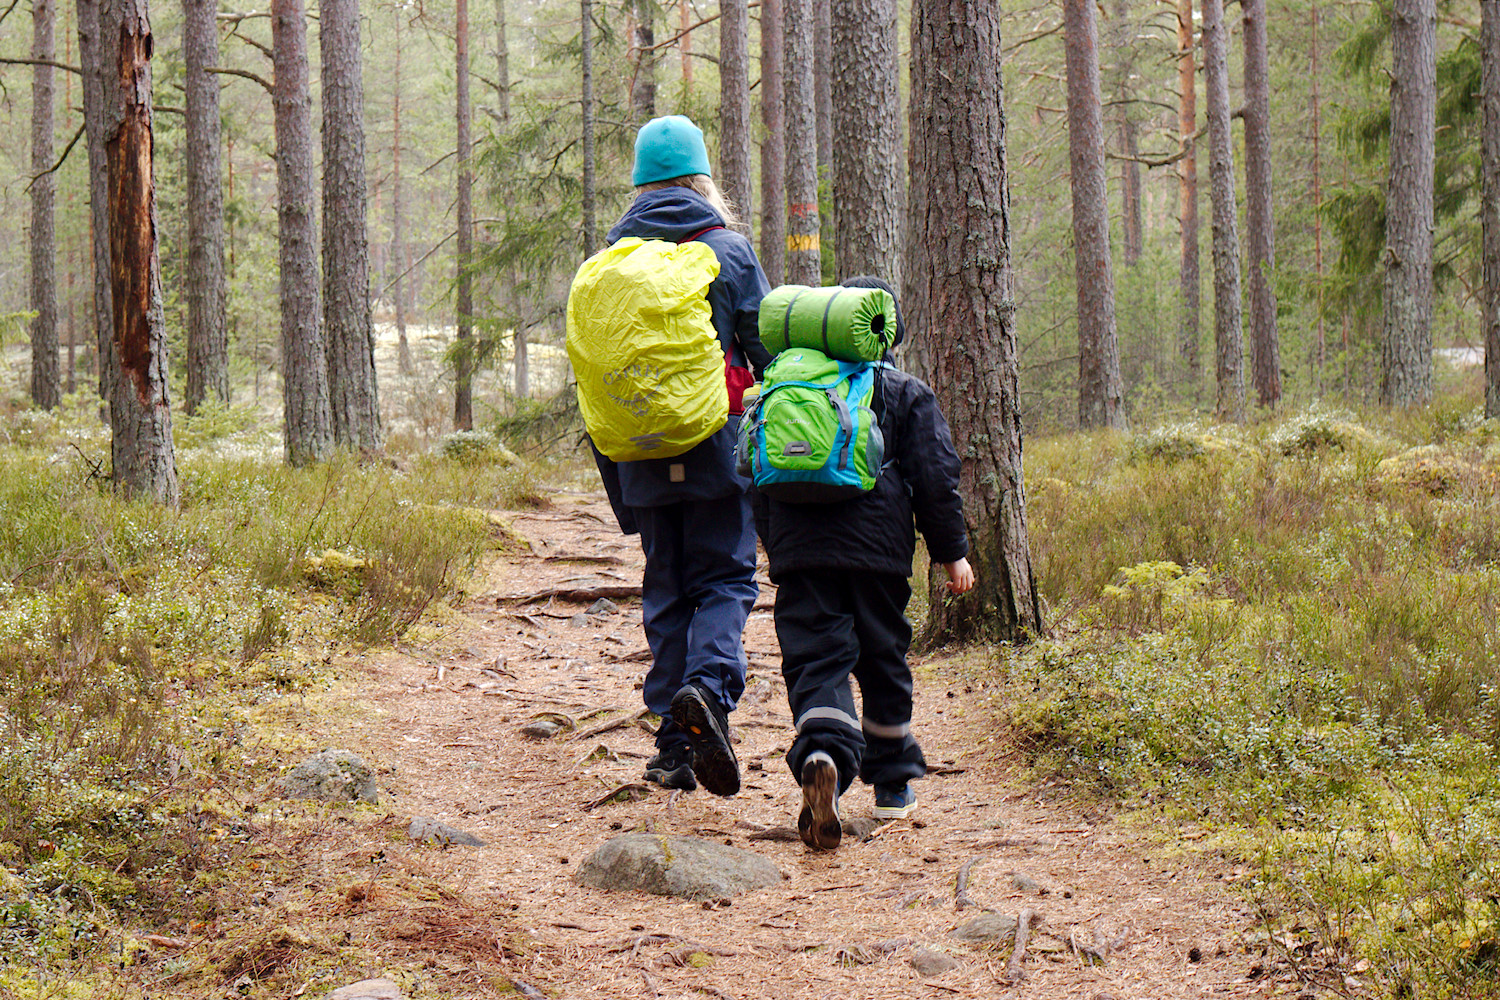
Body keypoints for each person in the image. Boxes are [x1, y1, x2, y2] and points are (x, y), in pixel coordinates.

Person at [750, 276, 974, 850]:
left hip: (802, 555)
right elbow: (935, 478)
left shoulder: (785, 388)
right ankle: (894, 787)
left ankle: (823, 753)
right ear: (882, 329)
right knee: (882, 660)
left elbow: (756, 473)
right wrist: (953, 553)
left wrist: (775, 545)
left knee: (815, 657)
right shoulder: (904, 392)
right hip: (879, 559)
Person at [591, 115, 772, 798]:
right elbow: (766, 353)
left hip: (636, 453)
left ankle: (674, 746)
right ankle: (708, 692)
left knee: (666, 585)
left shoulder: (606, 264)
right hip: (712, 446)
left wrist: (619, 474)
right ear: (701, 179)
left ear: (638, 185)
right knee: (724, 580)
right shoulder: (727, 251)